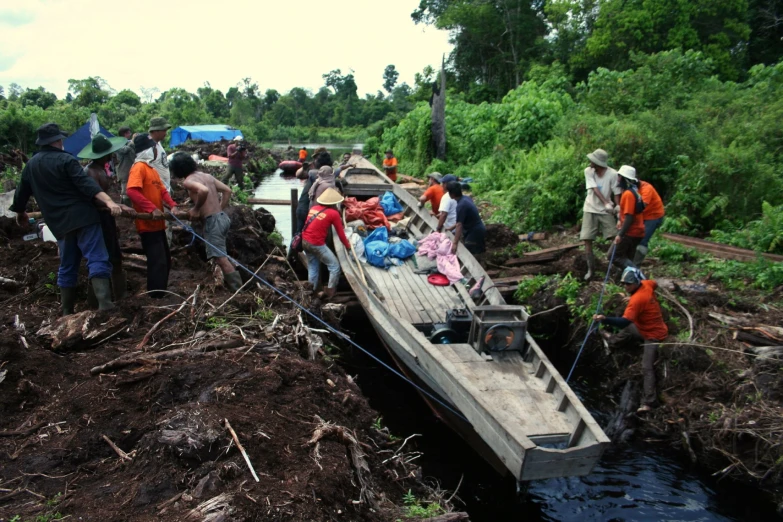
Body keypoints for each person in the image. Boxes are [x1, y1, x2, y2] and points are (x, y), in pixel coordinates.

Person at [10, 123, 123, 315]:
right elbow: (87, 185)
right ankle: (105, 305)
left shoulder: (31, 165)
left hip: (59, 223)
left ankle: (66, 311)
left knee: (67, 264)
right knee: (97, 257)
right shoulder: (66, 160)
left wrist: (20, 213)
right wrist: (110, 202)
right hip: (84, 218)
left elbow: (21, 193)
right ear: (57, 141)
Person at [593, 267, 668, 413]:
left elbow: (623, 322)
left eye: (628, 284)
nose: (625, 287)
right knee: (630, 329)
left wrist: (605, 319)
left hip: (654, 335)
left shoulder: (637, 300)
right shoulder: (646, 284)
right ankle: (613, 341)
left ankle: (649, 402)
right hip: (643, 327)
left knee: (647, 367)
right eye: (624, 284)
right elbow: (655, 284)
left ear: (635, 283)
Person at [169, 153, 242, 292]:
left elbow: (203, 190)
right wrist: (219, 209)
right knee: (221, 254)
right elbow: (227, 190)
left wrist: (196, 209)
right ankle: (231, 282)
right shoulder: (206, 176)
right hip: (222, 218)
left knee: (221, 258)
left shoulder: (188, 181)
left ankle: (238, 291)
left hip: (213, 221)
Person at [78, 134, 137, 301]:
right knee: (102, 257)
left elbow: (106, 197)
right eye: (110, 153)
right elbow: (95, 199)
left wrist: (119, 205)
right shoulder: (90, 172)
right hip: (97, 219)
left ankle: (120, 295)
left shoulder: (102, 169)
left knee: (115, 255)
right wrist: (115, 206)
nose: (113, 155)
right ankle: (98, 300)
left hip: (107, 217)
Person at [126, 134, 179, 298]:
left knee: (165, 260)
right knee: (157, 261)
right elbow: (131, 191)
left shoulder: (152, 170)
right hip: (148, 225)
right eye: (153, 148)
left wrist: (173, 205)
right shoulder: (138, 167)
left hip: (159, 224)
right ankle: (155, 296)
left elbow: (162, 190)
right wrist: (151, 209)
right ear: (148, 150)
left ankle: (160, 292)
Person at [302, 187, 351, 299]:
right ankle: (329, 292)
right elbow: (341, 234)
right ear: (334, 203)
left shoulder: (313, 208)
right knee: (334, 266)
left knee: (313, 267)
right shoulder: (333, 213)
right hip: (316, 244)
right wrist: (347, 246)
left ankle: (311, 293)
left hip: (304, 241)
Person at [581, 148, 622, 280]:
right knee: (587, 239)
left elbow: (616, 192)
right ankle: (590, 269)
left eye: (592, 161)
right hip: (590, 208)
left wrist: (617, 206)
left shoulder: (613, 174)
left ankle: (616, 267)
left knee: (614, 237)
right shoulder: (588, 171)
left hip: (605, 211)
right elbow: (593, 188)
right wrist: (605, 202)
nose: (590, 163)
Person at [613, 165, 645, 269]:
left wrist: (620, 234)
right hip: (638, 231)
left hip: (631, 232)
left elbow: (629, 217)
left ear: (623, 178)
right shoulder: (634, 191)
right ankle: (628, 281)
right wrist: (619, 220)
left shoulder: (628, 194)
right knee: (627, 257)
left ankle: (636, 274)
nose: (618, 179)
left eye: (619, 177)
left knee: (614, 256)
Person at [447, 182, 486, 255]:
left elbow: (459, 224)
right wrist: (451, 228)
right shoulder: (465, 198)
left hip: (475, 232)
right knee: (479, 251)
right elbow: (461, 219)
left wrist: (455, 243)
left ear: (452, 194)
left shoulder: (461, 206)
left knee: (469, 252)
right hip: (479, 229)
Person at [634, 179, 665, 265]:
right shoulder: (629, 189)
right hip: (641, 215)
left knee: (642, 239)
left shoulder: (647, 189)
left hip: (653, 216)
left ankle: (635, 265)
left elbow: (641, 206)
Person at [295, 161, 316, 234]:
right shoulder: (311, 173)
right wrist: (303, 168)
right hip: (307, 207)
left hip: (309, 208)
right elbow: (298, 175)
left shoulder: (314, 173)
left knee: (301, 232)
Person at [115, 126, 135, 204]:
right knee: (125, 192)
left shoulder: (128, 142)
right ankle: (125, 209)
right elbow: (124, 150)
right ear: (125, 133)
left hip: (131, 169)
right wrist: (132, 141)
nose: (130, 134)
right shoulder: (118, 144)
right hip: (123, 170)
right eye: (129, 133)